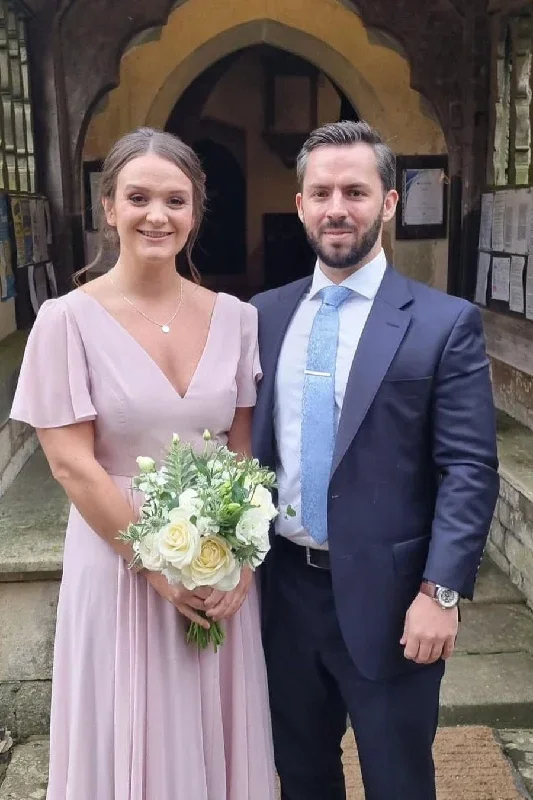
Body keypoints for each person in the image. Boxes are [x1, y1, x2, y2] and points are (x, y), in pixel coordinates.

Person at [11, 127, 276, 800]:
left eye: (175, 200)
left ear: (194, 211)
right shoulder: (65, 322)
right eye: (138, 198)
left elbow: (240, 449)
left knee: (214, 733)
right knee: (125, 725)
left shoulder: (237, 319)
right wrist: (154, 568)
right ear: (108, 207)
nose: (157, 216)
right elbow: (71, 464)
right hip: (118, 560)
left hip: (214, 561)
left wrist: (241, 561)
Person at [251, 120, 499, 800]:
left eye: (355, 191)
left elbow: (469, 469)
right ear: (300, 203)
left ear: (387, 203)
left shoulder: (442, 322)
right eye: (321, 191)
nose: (338, 207)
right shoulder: (262, 317)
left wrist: (439, 592)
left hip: (394, 604)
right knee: (300, 775)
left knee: (397, 780)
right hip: (284, 596)